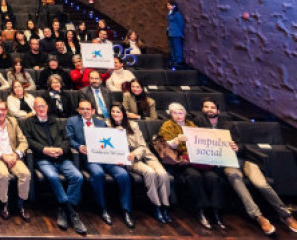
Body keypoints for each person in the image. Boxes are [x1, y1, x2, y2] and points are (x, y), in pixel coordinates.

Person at [193, 99, 297, 234]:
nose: (209, 109)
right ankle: (258, 217)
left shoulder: (227, 125)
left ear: (218, 111)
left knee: (261, 184)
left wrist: (237, 148)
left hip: (244, 160)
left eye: (212, 107)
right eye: (206, 107)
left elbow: (241, 145)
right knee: (235, 179)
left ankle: (286, 215)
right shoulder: (198, 123)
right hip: (228, 163)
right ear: (202, 110)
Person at [21, 97, 86, 235]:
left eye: (43, 106)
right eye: (38, 106)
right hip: (44, 158)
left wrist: (61, 149)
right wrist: (44, 149)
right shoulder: (29, 123)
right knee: (52, 176)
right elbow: (28, 141)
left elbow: (67, 139)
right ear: (34, 108)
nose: (41, 108)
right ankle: (71, 212)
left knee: (78, 177)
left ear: (47, 107)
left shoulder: (55, 121)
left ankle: (64, 207)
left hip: (61, 157)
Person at [158, 102, 226, 230]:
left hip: (197, 159)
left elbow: (201, 143)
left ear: (185, 113)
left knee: (213, 177)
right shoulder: (167, 126)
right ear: (171, 115)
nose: (178, 115)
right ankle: (201, 211)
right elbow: (165, 147)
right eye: (174, 113)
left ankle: (216, 212)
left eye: (180, 112)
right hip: (181, 162)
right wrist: (177, 141)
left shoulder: (191, 125)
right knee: (194, 176)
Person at [66, 99, 134, 228]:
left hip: (107, 158)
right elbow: (69, 138)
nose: (85, 111)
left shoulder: (101, 123)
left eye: (88, 109)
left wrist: (118, 156)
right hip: (90, 158)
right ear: (79, 110)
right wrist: (79, 146)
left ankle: (126, 210)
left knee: (123, 174)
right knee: (98, 173)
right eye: (82, 109)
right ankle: (102, 207)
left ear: (93, 110)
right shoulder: (72, 121)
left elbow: (110, 141)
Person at [108, 103, 171, 224]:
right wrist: (118, 134)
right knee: (150, 172)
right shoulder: (108, 126)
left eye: (118, 112)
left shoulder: (133, 125)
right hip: (128, 157)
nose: (115, 114)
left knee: (163, 174)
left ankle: (165, 206)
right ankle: (156, 206)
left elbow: (142, 145)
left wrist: (136, 153)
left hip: (144, 154)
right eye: (113, 112)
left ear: (124, 114)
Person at [0, 99, 31, 221]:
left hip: (13, 155)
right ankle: (4, 204)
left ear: (6, 111)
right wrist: (2, 156)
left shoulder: (13, 121)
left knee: (25, 174)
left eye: (3, 109)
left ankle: (21, 204)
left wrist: (16, 154)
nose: (0, 112)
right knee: (3, 174)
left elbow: (23, 141)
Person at [166, 1, 185, 67]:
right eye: (167, 5)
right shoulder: (169, 13)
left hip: (176, 33)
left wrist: (181, 32)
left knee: (177, 47)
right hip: (170, 32)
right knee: (172, 46)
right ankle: (173, 59)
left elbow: (181, 23)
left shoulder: (177, 14)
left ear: (174, 6)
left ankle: (179, 60)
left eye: (169, 5)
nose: (168, 6)